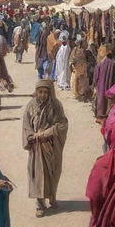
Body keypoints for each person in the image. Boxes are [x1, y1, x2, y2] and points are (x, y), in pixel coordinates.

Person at [22, 79, 68, 217]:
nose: (42, 95)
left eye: (46, 92)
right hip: (37, 147)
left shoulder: (56, 106)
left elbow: (62, 124)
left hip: (52, 146)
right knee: (38, 175)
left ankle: (52, 197)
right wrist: (32, 136)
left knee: (53, 173)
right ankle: (40, 204)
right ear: (36, 92)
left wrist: (46, 133)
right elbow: (26, 125)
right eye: (40, 92)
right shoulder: (31, 106)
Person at [93, 44, 115, 120]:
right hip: (110, 87)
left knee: (101, 100)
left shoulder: (100, 63)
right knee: (108, 102)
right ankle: (107, 118)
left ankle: (100, 116)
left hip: (100, 86)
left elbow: (96, 76)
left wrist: (95, 85)